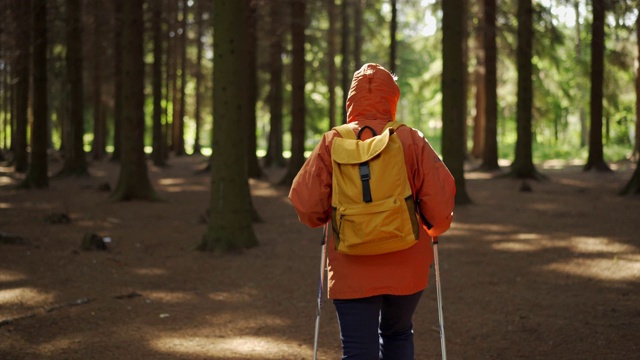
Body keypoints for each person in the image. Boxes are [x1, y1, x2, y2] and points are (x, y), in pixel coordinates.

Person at [289, 63, 456, 359]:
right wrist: (434, 228)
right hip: (406, 262)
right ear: (392, 97)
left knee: (357, 349)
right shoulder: (410, 139)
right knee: (398, 333)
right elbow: (440, 207)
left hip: (351, 264)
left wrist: (323, 218)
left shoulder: (332, 141)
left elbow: (305, 204)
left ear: (351, 100)